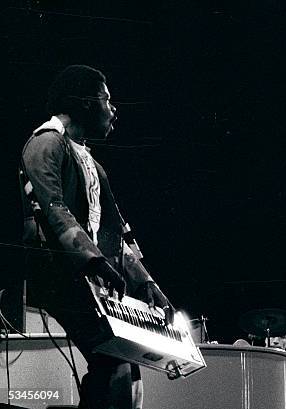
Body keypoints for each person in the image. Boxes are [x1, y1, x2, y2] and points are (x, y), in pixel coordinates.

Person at [20, 65, 172, 409]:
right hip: (60, 278)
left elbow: (115, 232)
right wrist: (95, 261)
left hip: (86, 278)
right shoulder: (45, 143)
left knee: (124, 370)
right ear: (87, 103)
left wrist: (147, 284)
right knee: (114, 362)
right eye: (106, 99)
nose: (113, 108)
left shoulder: (91, 162)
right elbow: (56, 210)